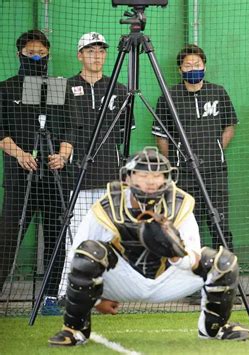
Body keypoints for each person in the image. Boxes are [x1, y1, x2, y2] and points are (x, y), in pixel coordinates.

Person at [48, 147, 249, 346]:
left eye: (158, 175)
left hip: (168, 280)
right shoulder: (107, 206)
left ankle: (214, 328)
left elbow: (195, 256)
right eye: (143, 175)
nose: (151, 181)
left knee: (223, 262)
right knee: (90, 251)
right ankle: (75, 329)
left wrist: (175, 253)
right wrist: (96, 300)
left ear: (167, 178)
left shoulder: (179, 204)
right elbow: (77, 255)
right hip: (121, 282)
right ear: (127, 177)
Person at [0, 30, 72, 306]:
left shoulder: (56, 87)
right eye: (31, 52)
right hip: (20, 179)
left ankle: (51, 296)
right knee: (8, 237)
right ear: (19, 54)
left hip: (53, 179)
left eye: (41, 52)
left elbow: (69, 131)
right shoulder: (6, 88)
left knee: (56, 237)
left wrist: (62, 156)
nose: (36, 56)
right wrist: (19, 154)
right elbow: (1, 132)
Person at [57, 32, 132, 296]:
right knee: (75, 237)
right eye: (90, 51)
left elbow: (125, 133)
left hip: (109, 178)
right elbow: (57, 131)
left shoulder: (119, 89)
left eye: (100, 51)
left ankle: (106, 293)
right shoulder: (63, 86)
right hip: (75, 177)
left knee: (109, 239)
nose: (96, 56)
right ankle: (70, 292)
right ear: (80, 55)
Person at [153, 44, 238, 252]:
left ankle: (225, 273)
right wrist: (173, 163)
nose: (193, 69)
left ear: (205, 66)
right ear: (180, 69)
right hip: (184, 174)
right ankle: (188, 273)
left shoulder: (218, 92)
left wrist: (217, 148)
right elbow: (161, 137)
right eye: (188, 65)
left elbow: (229, 126)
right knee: (187, 224)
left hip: (215, 172)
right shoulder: (168, 97)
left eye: (197, 64)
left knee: (219, 223)